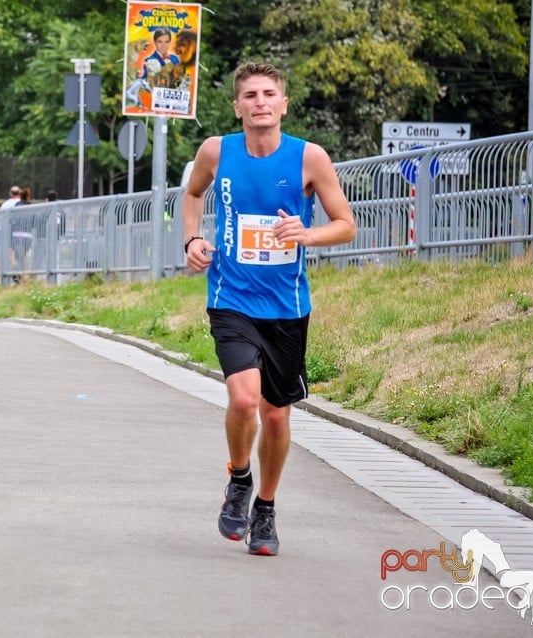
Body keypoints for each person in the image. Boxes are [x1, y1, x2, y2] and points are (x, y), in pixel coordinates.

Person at [182, 62, 356, 556]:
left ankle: (266, 507)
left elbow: (345, 224)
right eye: (250, 95)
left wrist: (308, 233)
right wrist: (193, 239)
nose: (260, 102)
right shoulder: (216, 151)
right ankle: (239, 477)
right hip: (231, 297)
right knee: (243, 400)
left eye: (269, 94)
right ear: (237, 106)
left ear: (283, 103)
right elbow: (193, 194)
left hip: (286, 306)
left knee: (276, 416)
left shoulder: (310, 158)